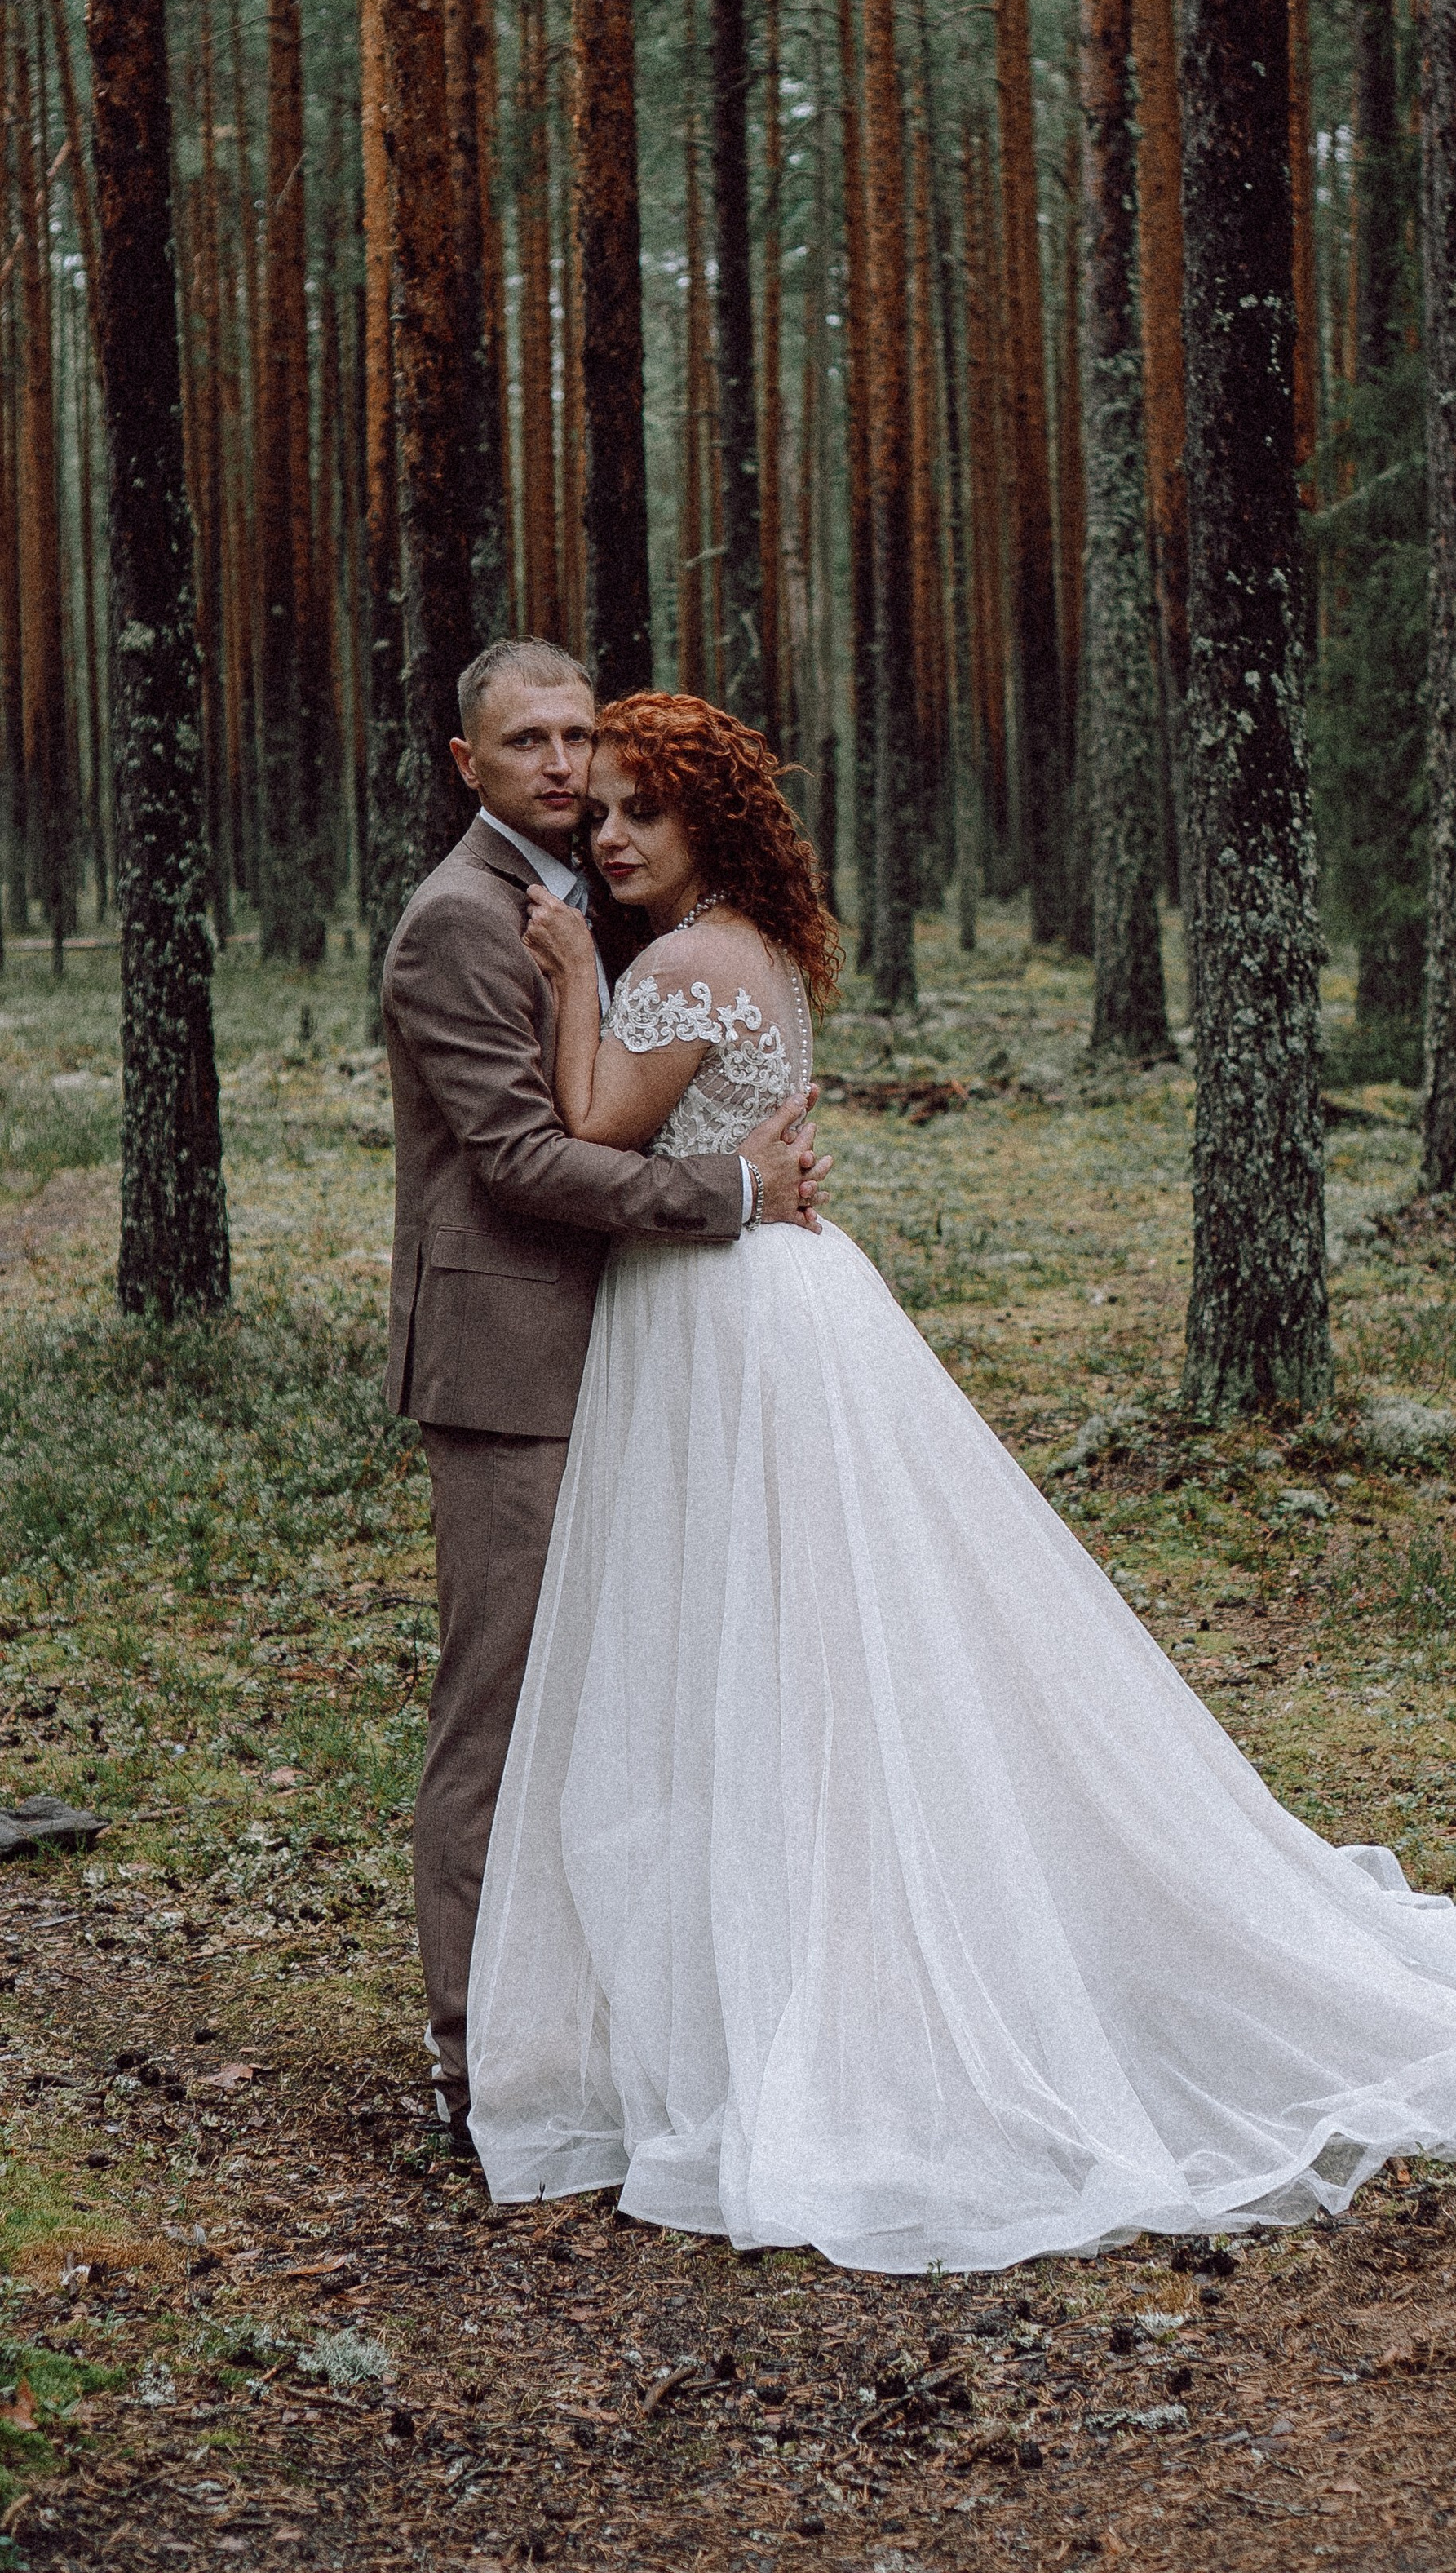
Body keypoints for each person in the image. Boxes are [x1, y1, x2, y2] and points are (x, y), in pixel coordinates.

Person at [467, 689, 1456, 2274]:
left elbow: (593, 1123)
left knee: (766, 1649)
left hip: (727, 1319)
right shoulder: (756, 951)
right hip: (757, 1299)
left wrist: (561, 975)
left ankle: (817, 1989)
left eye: (638, 813)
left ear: (708, 825)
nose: (606, 838)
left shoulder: (672, 964)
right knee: (793, 1646)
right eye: (594, 815)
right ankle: (782, 1965)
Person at [382, 640, 829, 2153]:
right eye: (529, 743)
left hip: (653, 1353)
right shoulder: (458, 922)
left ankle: (616, 2029)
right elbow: (516, 1158)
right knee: (501, 1719)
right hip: (515, 1371)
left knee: (642, 1704)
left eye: (580, 737)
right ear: (471, 764)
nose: (564, 767)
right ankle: (478, 2068)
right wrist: (733, 1190)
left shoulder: (607, 902)